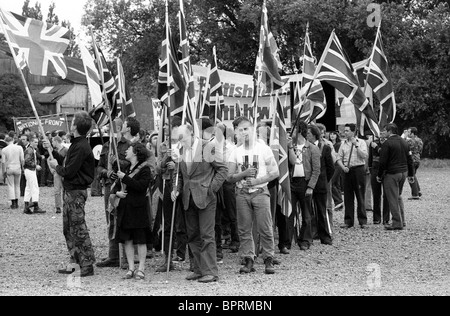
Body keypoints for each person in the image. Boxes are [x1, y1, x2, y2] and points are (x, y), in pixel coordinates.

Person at [171, 124, 227, 283]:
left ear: (191, 134)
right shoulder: (181, 150)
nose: (180, 141)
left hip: (206, 198)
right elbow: (179, 175)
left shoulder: (207, 146)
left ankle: (210, 272)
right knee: (193, 235)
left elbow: (222, 170)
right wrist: (175, 189)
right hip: (188, 198)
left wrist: (212, 188)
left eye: (182, 137)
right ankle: (197, 269)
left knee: (207, 235)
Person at [47, 111, 96, 277]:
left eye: (72, 121)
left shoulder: (81, 146)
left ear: (75, 126)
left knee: (78, 229)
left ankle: (87, 264)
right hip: (70, 191)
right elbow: (69, 164)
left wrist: (55, 167)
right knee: (68, 229)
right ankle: (75, 262)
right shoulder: (77, 144)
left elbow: (69, 171)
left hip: (75, 192)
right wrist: (54, 155)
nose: (70, 123)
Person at [228, 118, 279, 275]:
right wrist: (243, 174)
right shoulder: (235, 152)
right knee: (244, 229)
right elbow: (229, 177)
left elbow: (275, 172)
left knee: (265, 227)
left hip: (260, 192)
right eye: (240, 130)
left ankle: (268, 259)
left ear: (253, 130)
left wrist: (257, 180)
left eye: (246, 129)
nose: (244, 133)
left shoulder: (264, 149)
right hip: (242, 194)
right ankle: (248, 259)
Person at [96, 117, 140, 268]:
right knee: (111, 220)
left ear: (122, 128)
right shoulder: (106, 146)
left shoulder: (129, 146)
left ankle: (127, 258)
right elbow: (99, 167)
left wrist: (116, 163)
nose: (110, 129)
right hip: (110, 187)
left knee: (125, 220)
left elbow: (130, 165)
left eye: (114, 127)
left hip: (123, 187)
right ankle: (113, 255)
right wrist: (106, 173)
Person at [114, 142, 153, 280]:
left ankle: (141, 268)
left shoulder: (145, 169)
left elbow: (141, 186)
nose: (126, 151)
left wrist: (124, 178)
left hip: (138, 209)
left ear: (136, 152)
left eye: (129, 149)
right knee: (127, 240)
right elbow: (118, 187)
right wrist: (118, 193)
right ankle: (131, 268)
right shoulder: (126, 168)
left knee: (141, 240)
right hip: (125, 209)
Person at [377, 123, 414, 230]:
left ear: (389, 131)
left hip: (392, 173)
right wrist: (411, 174)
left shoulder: (387, 143)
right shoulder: (404, 142)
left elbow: (382, 162)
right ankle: (402, 220)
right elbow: (409, 159)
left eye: (385, 130)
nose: (383, 133)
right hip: (403, 172)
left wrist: (379, 175)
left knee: (392, 198)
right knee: (398, 196)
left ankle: (397, 223)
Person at [336, 123, 368, 229]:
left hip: (358, 169)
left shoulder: (361, 142)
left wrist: (356, 145)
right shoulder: (343, 144)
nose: (345, 133)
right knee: (348, 197)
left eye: (347, 130)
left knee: (360, 195)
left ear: (353, 132)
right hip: (347, 171)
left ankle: (362, 220)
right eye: (344, 131)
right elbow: (338, 158)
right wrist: (342, 167)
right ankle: (348, 220)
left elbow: (364, 156)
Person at [307, 124, 335, 245]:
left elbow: (331, 168)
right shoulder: (305, 147)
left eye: (308, 133)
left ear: (314, 134)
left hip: (321, 183)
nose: (306, 135)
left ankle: (325, 236)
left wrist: (324, 180)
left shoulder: (325, 147)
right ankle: (311, 234)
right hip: (307, 183)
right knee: (309, 210)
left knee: (322, 210)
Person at [368, 134, 390, 225]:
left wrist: (377, 147)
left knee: (386, 195)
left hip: (386, 170)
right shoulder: (373, 143)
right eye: (379, 133)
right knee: (376, 194)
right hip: (375, 169)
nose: (381, 135)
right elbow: (370, 157)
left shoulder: (388, 144)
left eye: (383, 133)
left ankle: (386, 218)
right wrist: (370, 168)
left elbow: (385, 155)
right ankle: (376, 218)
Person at [23, 136, 44, 214]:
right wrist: (36, 166)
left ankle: (26, 206)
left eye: (37, 142)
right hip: (30, 170)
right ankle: (35, 205)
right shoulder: (29, 150)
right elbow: (27, 160)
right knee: (35, 187)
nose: (37, 144)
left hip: (28, 170)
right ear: (31, 142)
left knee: (28, 188)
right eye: (35, 142)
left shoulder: (32, 150)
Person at [2, 136, 24, 209]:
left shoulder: (4, 150)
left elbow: (3, 162)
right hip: (17, 167)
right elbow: (22, 159)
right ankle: (17, 202)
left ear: (6, 142)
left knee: (11, 185)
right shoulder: (19, 148)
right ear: (13, 140)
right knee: (17, 185)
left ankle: (13, 203)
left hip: (9, 168)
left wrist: (3, 171)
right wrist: (23, 168)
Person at [50, 136, 68, 214]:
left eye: (53, 141)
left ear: (56, 141)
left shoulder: (65, 150)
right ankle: (58, 207)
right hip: (57, 172)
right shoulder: (53, 151)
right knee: (57, 190)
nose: (52, 143)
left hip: (63, 172)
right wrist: (52, 170)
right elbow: (49, 160)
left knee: (65, 189)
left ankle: (65, 204)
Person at [405, 127, 423, 200]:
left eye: (409, 132)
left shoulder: (409, 141)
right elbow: (421, 150)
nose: (408, 133)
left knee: (410, 176)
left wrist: (404, 136)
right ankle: (418, 191)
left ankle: (415, 195)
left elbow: (402, 145)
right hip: (417, 159)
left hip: (411, 160)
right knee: (413, 175)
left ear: (412, 133)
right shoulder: (420, 140)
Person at [329, 131, 343, 211]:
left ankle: (338, 201)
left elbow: (338, 154)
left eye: (334, 134)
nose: (332, 135)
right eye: (331, 134)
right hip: (332, 165)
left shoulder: (338, 144)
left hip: (337, 164)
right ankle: (340, 204)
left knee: (331, 182)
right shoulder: (329, 144)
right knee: (336, 184)